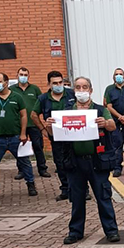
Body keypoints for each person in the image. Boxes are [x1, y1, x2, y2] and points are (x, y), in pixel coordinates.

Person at [47, 77, 120, 245]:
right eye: (78, 87)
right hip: (74, 162)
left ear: (91, 90)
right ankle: (75, 231)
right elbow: (53, 135)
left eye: (85, 87)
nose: (81, 90)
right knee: (77, 199)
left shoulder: (100, 110)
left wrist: (105, 123)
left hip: (97, 161)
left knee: (103, 197)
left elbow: (112, 126)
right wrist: (50, 126)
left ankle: (111, 231)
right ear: (74, 90)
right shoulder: (67, 112)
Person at [0, 72, 37, 198]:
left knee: (24, 162)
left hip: (15, 136)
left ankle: (30, 184)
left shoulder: (16, 97)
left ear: (6, 83)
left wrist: (23, 133)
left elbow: (23, 115)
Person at [33, 71, 76, 201]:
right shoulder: (43, 98)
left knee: (76, 163)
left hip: (73, 135)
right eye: (55, 83)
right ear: (49, 84)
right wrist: (42, 128)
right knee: (60, 163)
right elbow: (34, 115)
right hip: (56, 137)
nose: (58, 85)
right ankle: (65, 190)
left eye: (60, 82)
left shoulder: (72, 94)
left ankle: (82, 190)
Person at [10, 67, 50, 178]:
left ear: (29, 76)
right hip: (18, 125)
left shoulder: (35, 89)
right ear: (17, 75)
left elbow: (41, 104)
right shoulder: (12, 89)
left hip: (33, 124)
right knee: (20, 149)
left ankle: (42, 169)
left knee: (38, 147)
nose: (23, 76)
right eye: (21, 74)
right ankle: (22, 170)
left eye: (25, 74)